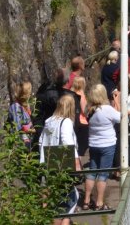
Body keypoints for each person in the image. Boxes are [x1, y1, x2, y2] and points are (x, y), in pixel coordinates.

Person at [38, 95, 81, 225]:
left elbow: (40, 141)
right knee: (72, 198)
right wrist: (76, 163)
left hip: (48, 163)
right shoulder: (66, 122)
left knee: (55, 202)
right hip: (62, 165)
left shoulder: (49, 121)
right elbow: (68, 143)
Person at [82, 84, 123, 212]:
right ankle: (99, 202)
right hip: (107, 145)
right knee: (103, 174)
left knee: (92, 171)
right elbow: (121, 117)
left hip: (94, 145)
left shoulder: (89, 110)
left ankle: (86, 200)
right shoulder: (107, 109)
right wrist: (117, 101)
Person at [8, 81, 34, 149]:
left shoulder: (25, 106)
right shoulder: (16, 107)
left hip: (28, 139)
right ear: (25, 93)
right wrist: (32, 130)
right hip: (21, 142)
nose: (31, 94)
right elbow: (17, 127)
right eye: (29, 92)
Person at [70, 76, 89, 162]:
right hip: (82, 122)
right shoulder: (81, 94)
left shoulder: (71, 94)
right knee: (80, 149)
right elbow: (84, 110)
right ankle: (79, 166)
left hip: (73, 121)